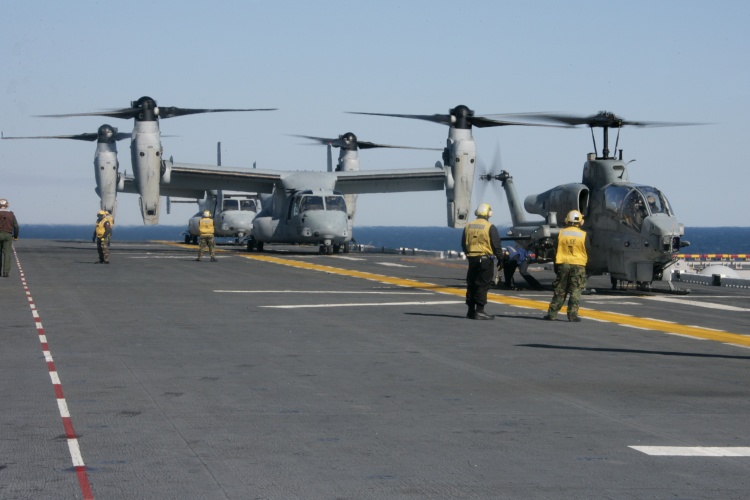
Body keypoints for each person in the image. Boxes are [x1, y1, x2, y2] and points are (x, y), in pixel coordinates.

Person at [544, 210, 590, 322]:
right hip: (578, 265)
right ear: (581, 222)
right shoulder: (584, 235)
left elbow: (555, 249)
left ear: (567, 220)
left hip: (563, 264)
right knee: (575, 290)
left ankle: (552, 314)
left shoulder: (561, 233)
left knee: (560, 289)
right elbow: (588, 249)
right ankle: (572, 315)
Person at [461, 203, 504, 320]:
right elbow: (496, 245)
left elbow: (464, 244)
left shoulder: (468, 226)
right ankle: (480, 311)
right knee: (482, 285)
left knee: (471, 284)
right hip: (485, 260)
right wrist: (501, 259)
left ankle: (470, 311)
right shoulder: (490, 227)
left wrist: (469, 255)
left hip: (472, 259)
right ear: (488, 213)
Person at [0, 198, 19, 278]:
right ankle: (6, 272)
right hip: (8, 235)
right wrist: (15, 236)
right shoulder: (11, 214)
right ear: (7, 205)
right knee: (7, 254)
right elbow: (16, 226)